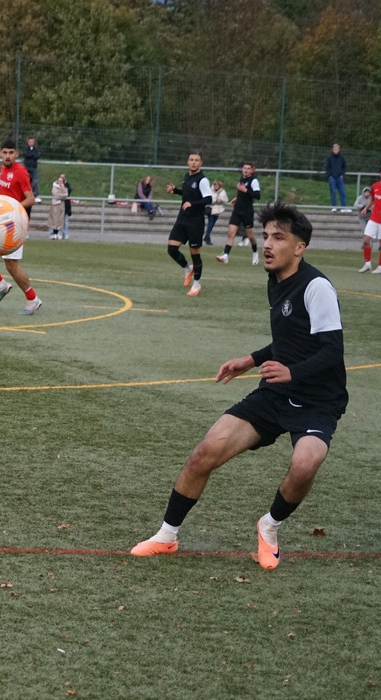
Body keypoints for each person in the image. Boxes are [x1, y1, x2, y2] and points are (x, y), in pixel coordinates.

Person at [132, 201, 347, 571]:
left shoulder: (317, 287)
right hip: (276, 393)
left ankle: (269, 526)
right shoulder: (275, 281)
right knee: (205, 452)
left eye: (279, 238)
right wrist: (251, 359)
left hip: (318, 401)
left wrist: (292, 373)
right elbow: (290, 340)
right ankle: (166, 535)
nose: (268, 244)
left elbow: (332, 351)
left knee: (305, 463)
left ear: (300, 247)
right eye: (266, 236)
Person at [0, 139, 42, 316]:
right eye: (5, 153)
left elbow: (30, 199)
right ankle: (1, 285)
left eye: (11, 153)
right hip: (0, 222)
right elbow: (8, 191)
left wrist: (13, 210)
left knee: (11, 266)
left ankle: (33, 299)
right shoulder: (3, 169)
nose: (8, 156)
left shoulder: (20, 172)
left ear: (16, 154)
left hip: (14, 226)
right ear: (0, 154)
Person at [165, 151, 213, 297]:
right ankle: (187, 268)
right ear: (187, 162)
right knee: (171, 249)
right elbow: (187, 194)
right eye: (191, 159)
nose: (193, 162)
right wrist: (175, 191)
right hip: (182, 219)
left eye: (197, 160)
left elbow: (208, 199)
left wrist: (192, 204)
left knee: (195, 254)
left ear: (201, 163)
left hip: (195, 222)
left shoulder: (202, 180)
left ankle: (197, 284)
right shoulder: (187, 177)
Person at [215, 162, 261, 266]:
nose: (246, 170)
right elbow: (242, 193)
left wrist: (245, 190)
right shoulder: (242, 179)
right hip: (237, 210)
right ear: (242, 169)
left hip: (247, 211)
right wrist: (237, 198)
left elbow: (257, 195)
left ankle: (255, 252)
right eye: (244, 168)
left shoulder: (253, 180)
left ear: (251, 170)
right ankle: (226, 255)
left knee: (250, 235)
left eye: (248, 168)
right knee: (231, 233)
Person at [357, 168, 381, 273]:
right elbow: (372, 200)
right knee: (366, 240)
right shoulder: (375, 186)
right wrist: (366, 208)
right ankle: (367, 264)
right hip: (374, 218)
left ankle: (380, 266)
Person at [204, 179, 228, 245]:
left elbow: (226, 200)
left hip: (217, 209)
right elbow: (208, 199)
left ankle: (207, 236)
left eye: (218, 185)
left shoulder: (222, 192)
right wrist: (215, 200)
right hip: (211, 208)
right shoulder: (210, 190)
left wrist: (221, 200)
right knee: (210, 223)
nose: (216, 186)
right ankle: (207, 237)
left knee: (212, 224)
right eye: (215, 185)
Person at [325, 143, 349, 212]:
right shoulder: (329, 158)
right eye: (335, 149)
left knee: (342, 192)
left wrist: (342, 175)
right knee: (333, 192)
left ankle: (343, 208)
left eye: (337, 149)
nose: (336, 150)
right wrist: (329, 176)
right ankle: (334, 207)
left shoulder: (342, 157)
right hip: (332, 178)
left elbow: (344, 166)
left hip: (340, 177)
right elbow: (327, 167)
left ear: (339, 149)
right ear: (333, 149)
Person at [47, 173, 66, 239]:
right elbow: (55, 194)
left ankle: (57, 233)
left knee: (60, 219)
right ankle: (54, 233)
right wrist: (61, 195)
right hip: (55, 204)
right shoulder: (54, 186)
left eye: (61, 181)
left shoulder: (64, 187)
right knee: (55, 219)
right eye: (59, 181)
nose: (60, 182)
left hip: (61, 205)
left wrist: (62, 189)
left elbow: (66, 194)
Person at [23, 138, 41, 202]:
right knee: (26, 181)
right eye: (30, 141)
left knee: (35, 181)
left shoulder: (36, 149)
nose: (31, 143)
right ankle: (25, 195)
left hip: (34, 167)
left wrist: (30, 155)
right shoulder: (25, 148)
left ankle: (35, 194)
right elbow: (25, 155)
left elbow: (37, 156)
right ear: (28, 142)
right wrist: (32, 155)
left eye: (32, 142)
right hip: (27, 167)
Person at [60, 173, 72, 240]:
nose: (62, 179)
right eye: (61, 177)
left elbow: (69, 191)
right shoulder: (56, 184)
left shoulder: (67, 185)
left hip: (66, 205)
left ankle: (65, 233)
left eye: (63, 177)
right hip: (58, 205)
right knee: (56, 221)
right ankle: (55, 233)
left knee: (65, 221)